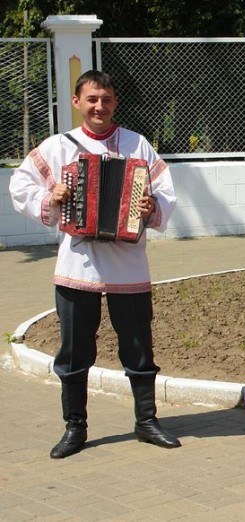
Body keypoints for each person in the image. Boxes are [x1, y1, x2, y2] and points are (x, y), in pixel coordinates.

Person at [9, 70, 181, 459]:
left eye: (105, 99)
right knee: (74, 350)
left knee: (138, 345)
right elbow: (20, 186)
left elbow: (166, 193)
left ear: (114, 102)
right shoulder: (57, 147)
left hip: (129, 265)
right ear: (77, 103)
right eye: (91, 99)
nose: (99, 106)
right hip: (77, 265)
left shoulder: (137, 145)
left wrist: (151, 206)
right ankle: (75, 427)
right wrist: (51, 196)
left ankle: (147, 421)